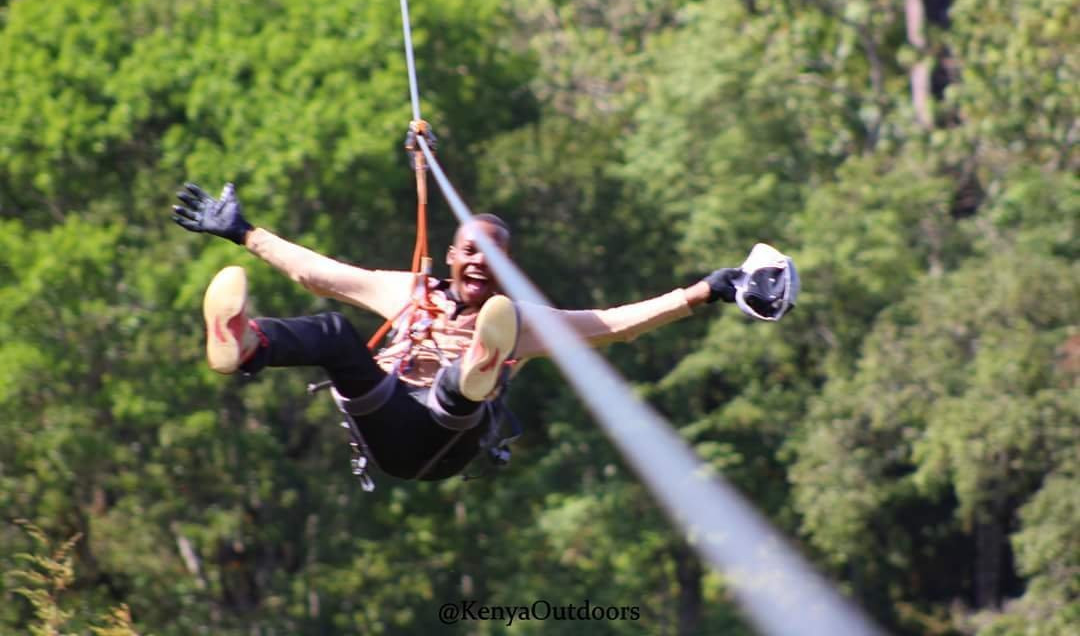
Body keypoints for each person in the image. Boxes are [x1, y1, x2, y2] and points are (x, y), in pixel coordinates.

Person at [170, 146, 767, 483]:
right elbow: (317, 274)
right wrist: (245, 233)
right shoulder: (409, 290)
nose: (481, 264)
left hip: (444, 440)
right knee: (332, 332)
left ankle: (478, 365)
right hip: (384, 423)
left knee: (463, 380)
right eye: (472, 253)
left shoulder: (524, 320)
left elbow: (615, 324)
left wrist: (702, 292)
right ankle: (248, 346)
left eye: (496, 258)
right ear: (451, 256)